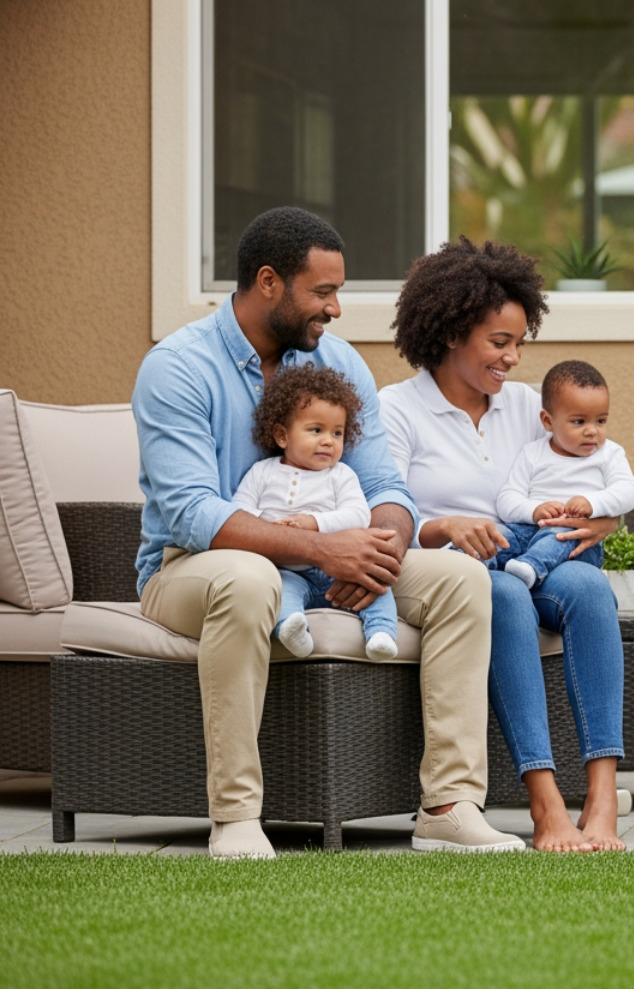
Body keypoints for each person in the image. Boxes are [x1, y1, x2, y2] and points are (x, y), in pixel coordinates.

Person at [133, 207, 523, 860]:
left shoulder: (337, 362)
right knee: (248, 574)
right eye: (323, 292)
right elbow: (192, 513)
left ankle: (449, 807)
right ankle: (235, 816)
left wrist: (377, 551)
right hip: (190, 568)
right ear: (267, 283)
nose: (336, 309)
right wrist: (321, 548)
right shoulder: (177, 368)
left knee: (459, 578)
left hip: (326, 557)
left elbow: (385, 491)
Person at [379, 237, 626, 853]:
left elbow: (596, 477)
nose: (514, 358)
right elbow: (381, 510)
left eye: (520, 342)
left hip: (545, 554)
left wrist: (601, 523)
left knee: (592, 588)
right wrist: (443, 526)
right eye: (499, 343)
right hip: (458, 571)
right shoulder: (397, 411)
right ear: (451, 332)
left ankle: (602, 801)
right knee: (503, 599)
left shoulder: (529, 407)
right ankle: (545, 806)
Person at [233, 363, 398, 662]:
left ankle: (381, 633)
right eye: (316, 430)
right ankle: (293, 628)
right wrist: (274, 527)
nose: (328, 441)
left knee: (377, 589)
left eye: (337, 433)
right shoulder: (261, 473)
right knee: (281, 593)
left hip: (337, 568)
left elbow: (358, 515)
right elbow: (240, 511)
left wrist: (313, 523)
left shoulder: (340, 475)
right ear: (282, 436)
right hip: (287, 568)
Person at [491, 359, 634, 588]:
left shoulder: (609, 454)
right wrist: (534, 510)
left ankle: (530, 567)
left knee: (560, 534)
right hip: (528, 530)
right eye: (579, 422)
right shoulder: (532, 453)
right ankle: (473, 560)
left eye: (601, 421)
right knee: (498, 533)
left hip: (576, 539)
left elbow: (629, 491)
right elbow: (507, 498)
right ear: (548, 421)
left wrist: (592, 503)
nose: (592, 431)